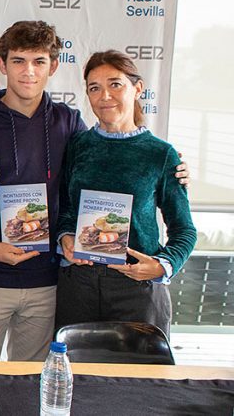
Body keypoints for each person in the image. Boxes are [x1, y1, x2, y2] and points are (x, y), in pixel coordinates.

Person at [0, 21, 85, 361]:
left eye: (38, 61)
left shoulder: (68, 122)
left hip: (45, 280)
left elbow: (99, 173)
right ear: (2, 64)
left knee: (30, 383)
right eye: (18, 61)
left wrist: (168, 164)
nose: (28, 71)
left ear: (53, 66)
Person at [56, 50, 196, 337]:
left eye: (115, 84)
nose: (105, 96)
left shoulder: (161, 154)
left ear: (138, 88)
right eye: (94, 88)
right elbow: (67, 211)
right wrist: (66, 238)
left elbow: (184, 230)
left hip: (137, 289)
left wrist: (162, 265)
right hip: (78, 287)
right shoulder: (78, 146)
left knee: (139, 367)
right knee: (75, 366)